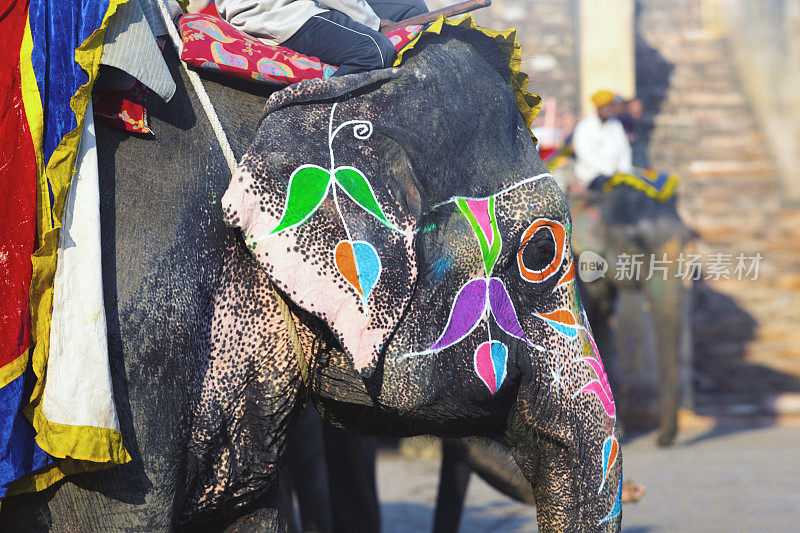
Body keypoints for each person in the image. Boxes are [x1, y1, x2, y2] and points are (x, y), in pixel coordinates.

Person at [215, 0, 428, 77]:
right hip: (275, 13)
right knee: (375, 50)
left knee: (413, 8)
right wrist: (371, 22)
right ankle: (318, 123)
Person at [571, 89, 633, 192]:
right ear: (597, 108)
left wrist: (623, 170)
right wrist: (608, 169)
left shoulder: (616, 125)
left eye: (609, 107)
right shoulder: (584, 126)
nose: (607, 110)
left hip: (617, 175)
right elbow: (585, 154)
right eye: (604, 107)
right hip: (592, 175)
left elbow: (624, 150)